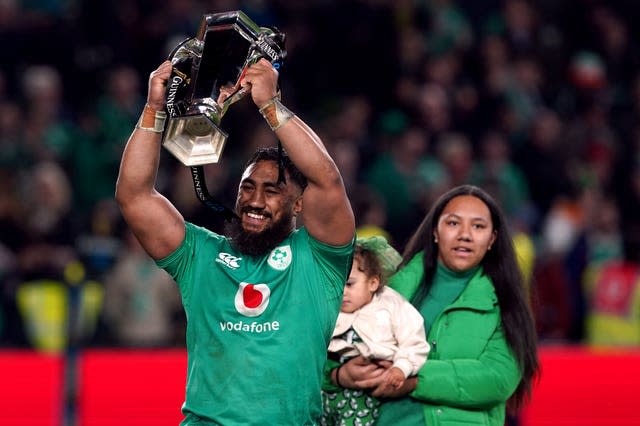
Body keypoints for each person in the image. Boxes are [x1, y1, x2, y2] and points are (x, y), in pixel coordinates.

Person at [115, 58, 355, 425]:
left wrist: (270, 107)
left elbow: (327, 181)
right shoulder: (201, 256)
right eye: (248, 187)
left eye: (272, 191)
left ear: (299, 204)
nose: (255, 201)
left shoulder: (319, 259)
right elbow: (134, 196)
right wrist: (153, 110)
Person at [330, 185, 540, 426]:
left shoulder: (505, 303)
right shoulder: (386, 287)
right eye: (453, 223)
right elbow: (324, 348)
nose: (465, 234)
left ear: (492, 238)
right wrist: (339, 375)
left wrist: (413, 379)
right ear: (435, 231)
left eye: (478, 226)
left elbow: (497, 379)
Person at [322, 236, 430, 425]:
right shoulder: (327, 307)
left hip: (368, 394)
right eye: (335, 284)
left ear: (372, 283)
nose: (342, 292)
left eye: (349, 284)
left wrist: (401, 368)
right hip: (326, 390)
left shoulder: (391, 305)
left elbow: (413, 341)